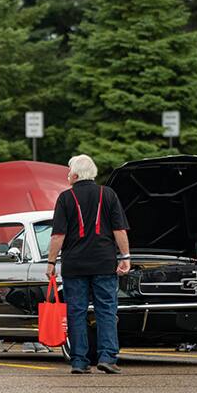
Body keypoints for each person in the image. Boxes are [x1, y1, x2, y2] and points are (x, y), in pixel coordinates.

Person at [46, 155, 130, 374]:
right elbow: (119, 230)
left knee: (76, 312)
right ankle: (107, 358)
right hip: (104, 263)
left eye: (68, 172)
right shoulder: (108, 194)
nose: (67, 176)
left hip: (75, 265)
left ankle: (79, 361)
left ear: (75, 175)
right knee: (106, 310)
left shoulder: (65, 198)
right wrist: (126, 257)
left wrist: (51, 262)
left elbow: (58, 235)